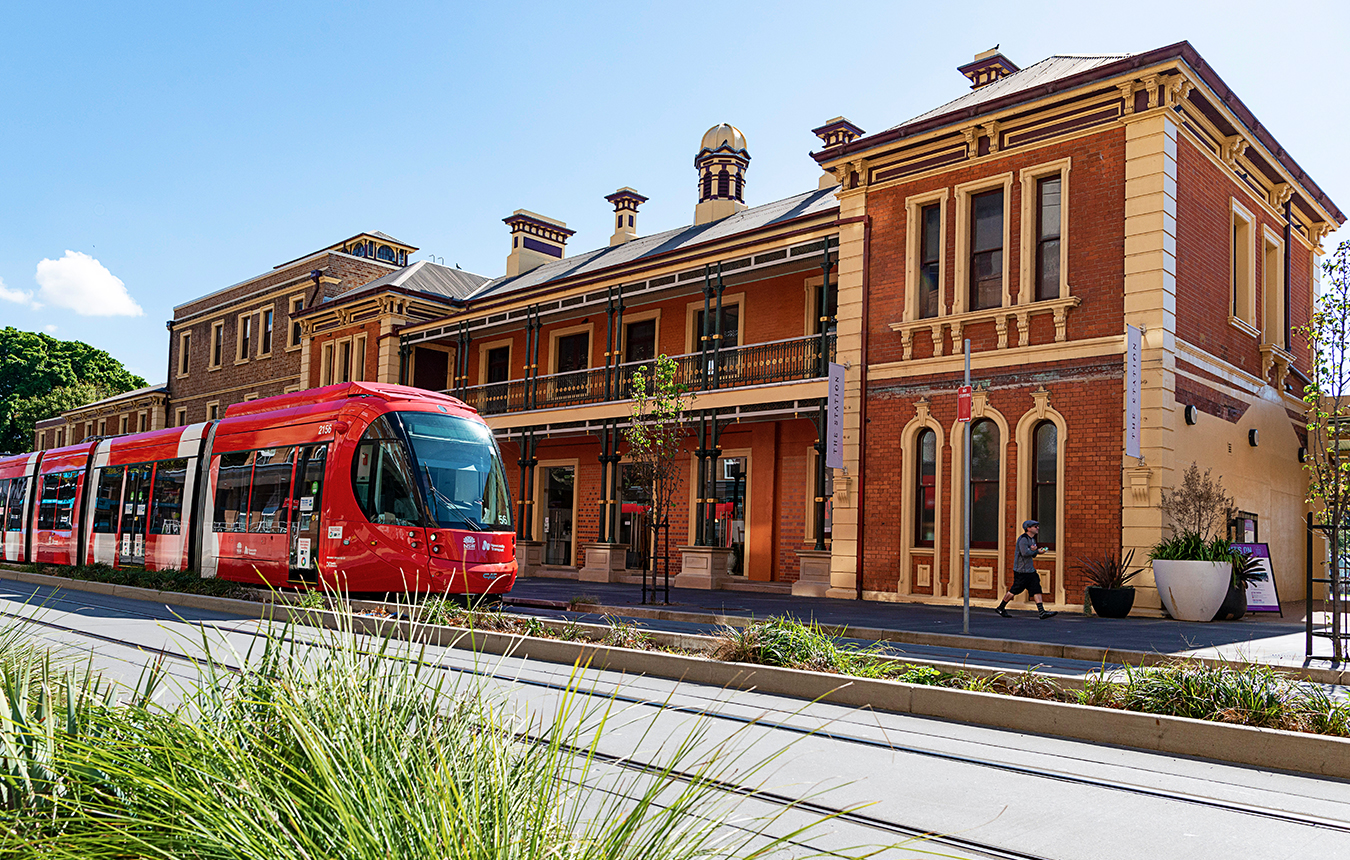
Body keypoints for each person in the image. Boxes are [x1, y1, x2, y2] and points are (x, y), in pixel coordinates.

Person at [995, 520, 1056, 619]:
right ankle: (1001, 607)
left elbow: (1032, 554)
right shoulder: (1023, 539)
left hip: (1030, 570)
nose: (1037, 528)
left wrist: (1037, 552)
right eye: (1035, 526)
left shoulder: (1032, 540)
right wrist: (1035, 551)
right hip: (1021, 571)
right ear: (1028, 528)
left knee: (1036, 588)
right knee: (1015, 590)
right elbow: (1024, 553)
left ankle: (1042, 612)